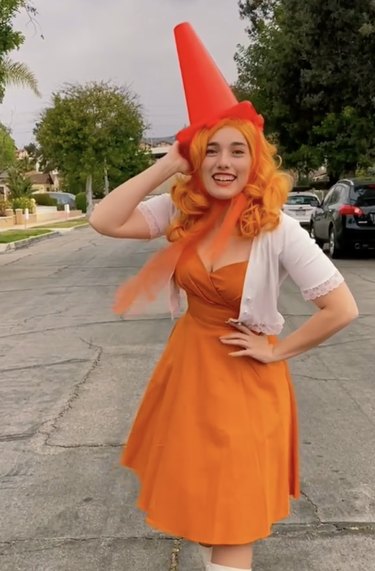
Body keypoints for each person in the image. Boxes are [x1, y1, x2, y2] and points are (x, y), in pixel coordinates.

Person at [89, 23, 358, 571]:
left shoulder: (277, 228)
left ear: (254, 159)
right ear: (198, 157)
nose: (224, 162)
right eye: (212, 150)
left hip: (244, 378)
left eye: (238, 150)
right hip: (188, 375)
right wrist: (167, 164)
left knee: (232, 513)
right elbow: (103, 219)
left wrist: (277, 351)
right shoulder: (181, 213)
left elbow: (342, 308)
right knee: (205, 507)